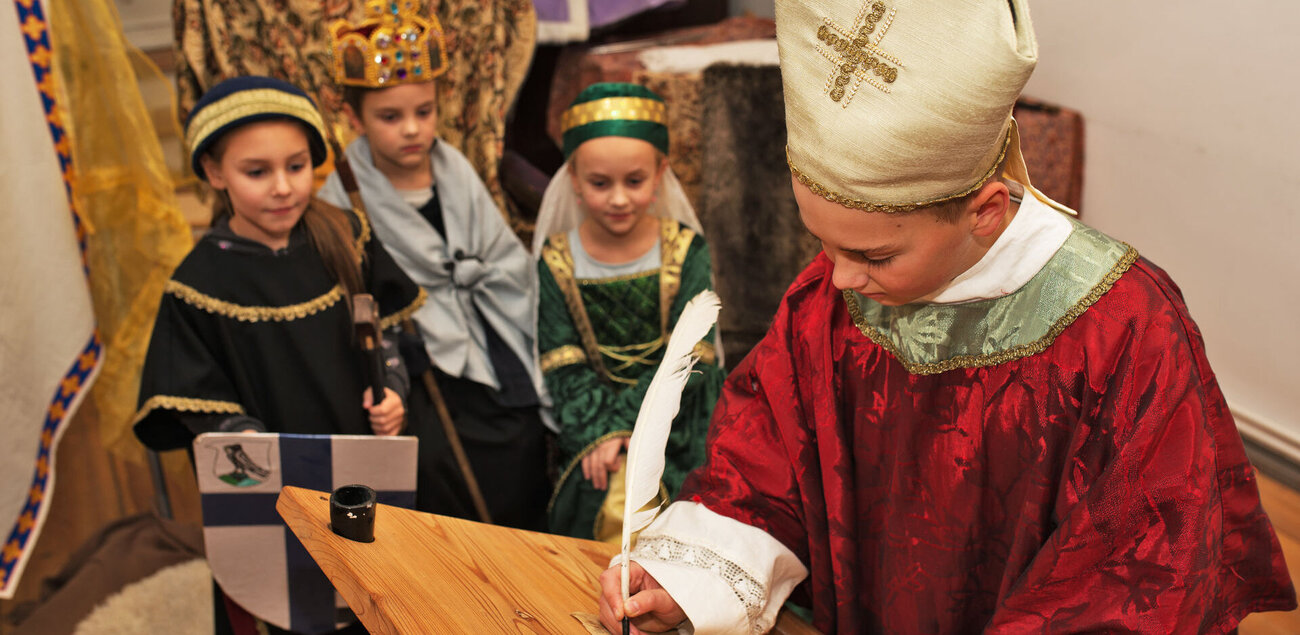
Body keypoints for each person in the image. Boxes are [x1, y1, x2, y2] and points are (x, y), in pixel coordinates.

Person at [597, 1, 1298, 633]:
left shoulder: (1127, 331)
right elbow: (769, 453)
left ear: (986, 210)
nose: (837, 277)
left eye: (871, 252)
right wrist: (691, 575)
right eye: (822, 240)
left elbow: (1141, 570)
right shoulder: (840, 293)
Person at [132, 76, 427, 634]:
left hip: (362, 458)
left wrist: (393, 389)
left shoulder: (347, 235)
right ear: (215, 174)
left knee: (373, 593)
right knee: (288, 602)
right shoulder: (198, 283)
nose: (283, 188)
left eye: (296, 166)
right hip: (273, 485)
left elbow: (387, 336)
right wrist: (263, 449)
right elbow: (196, 402)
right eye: (256, 172)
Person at [317, 0, 550, 530]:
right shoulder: (342, 199)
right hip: (420, 361)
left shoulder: (454, 167)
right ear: (353, 118)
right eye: (390, 117)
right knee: (451, 470)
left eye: (424, 111)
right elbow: (355, 294)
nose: (412, 130)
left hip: (492, 330)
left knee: (524, 437)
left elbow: (500, 256)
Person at [533, 83, 726, 542]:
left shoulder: (686, 250)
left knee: (689, 517)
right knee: (591, 505)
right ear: (574, 180)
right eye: (600, 183)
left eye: (634, 181)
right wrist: (603, 432)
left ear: (660, 173)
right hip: (591, 422)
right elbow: (561, 358)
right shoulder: (556, 260)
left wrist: (629, 429)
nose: (618, 198)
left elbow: (693, 355)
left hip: (680, 417)